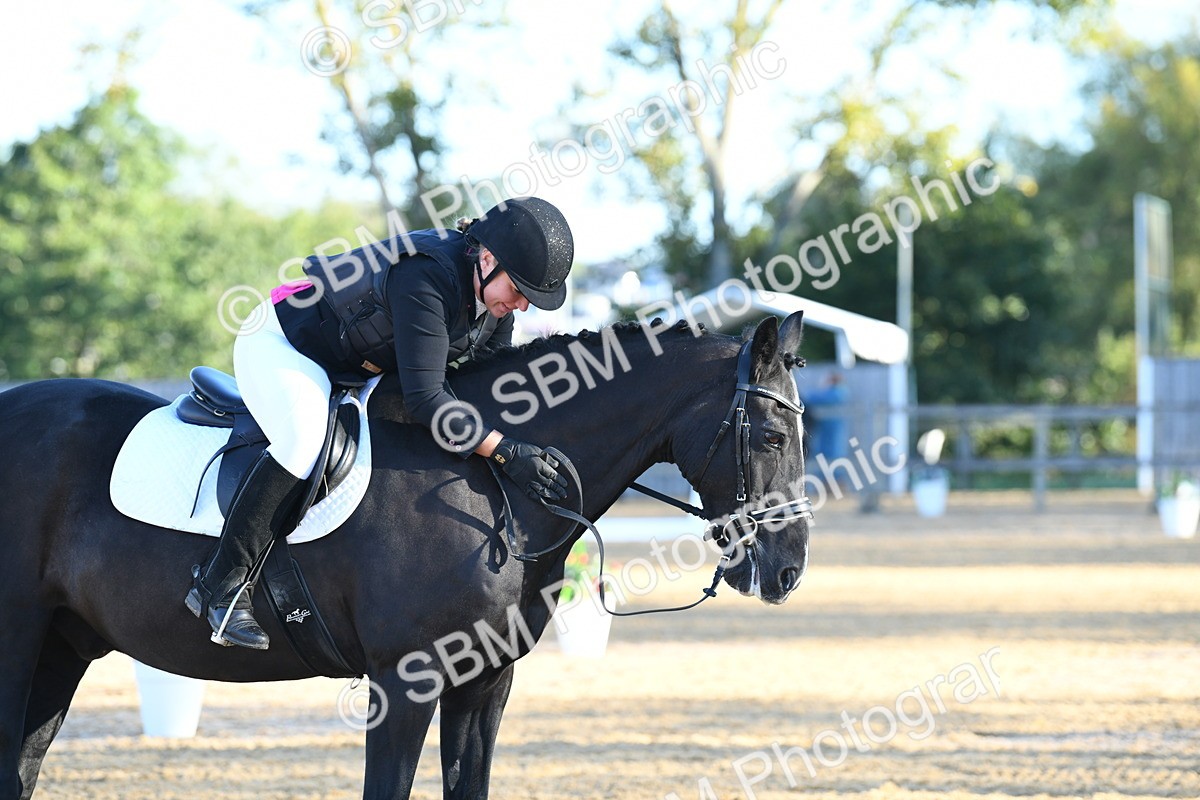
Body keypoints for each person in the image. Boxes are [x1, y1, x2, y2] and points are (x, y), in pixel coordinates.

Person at [185, 196, 575, 650]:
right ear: (487, 259)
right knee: (304, 441)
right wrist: (506, 450)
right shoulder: (426, 276)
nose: (523, 306)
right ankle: (220, 583)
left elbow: (480, 388)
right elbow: (428, 398)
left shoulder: (492, 301)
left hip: (355, 366)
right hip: (284, 343)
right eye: (520, 289)